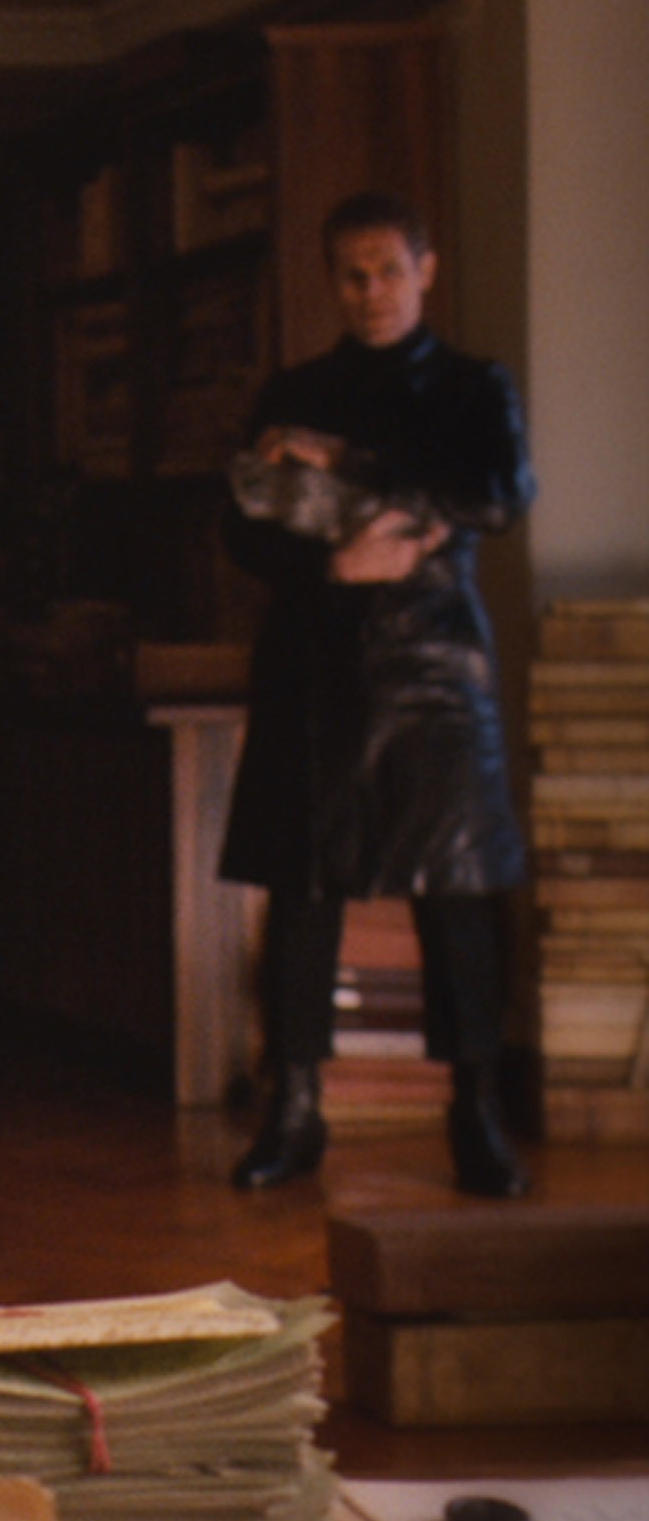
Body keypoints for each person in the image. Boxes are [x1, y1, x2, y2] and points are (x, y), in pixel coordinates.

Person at [221, 193, 536, 1200]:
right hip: (316, 659)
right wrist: (334, 566)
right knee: (302, 888)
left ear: (424, 270)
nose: (372, 293)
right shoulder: (296, 390)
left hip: (435, 666)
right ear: (333, 281)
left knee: (457, 892)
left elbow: (499, 492)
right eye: (353, 276)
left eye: (389, 271)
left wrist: (354, 463)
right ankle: (295, 1107)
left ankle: (475, 1110)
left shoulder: (473, 387)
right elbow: (242, 525)